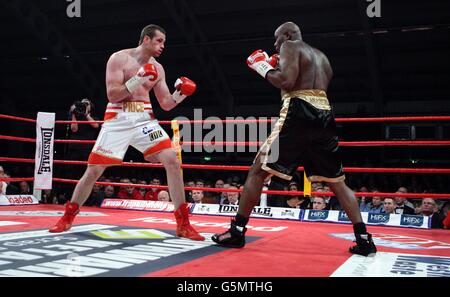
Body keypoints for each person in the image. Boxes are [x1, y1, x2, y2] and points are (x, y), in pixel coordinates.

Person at [212, 22, 376, 256]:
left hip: (298, 111)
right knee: (337, 181)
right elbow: (309, 85)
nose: (275, 46)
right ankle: (364, 239)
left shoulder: (290, 46)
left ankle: (236, 232)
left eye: (276, 40)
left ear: (287, 35)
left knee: (257, 171)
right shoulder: (322, 57)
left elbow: (287, 82)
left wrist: (262, 67)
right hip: (325, 114)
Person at [49, 24, 204, 241]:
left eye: (164, 42)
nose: (162, 46)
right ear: (146, 39)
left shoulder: (158, 69)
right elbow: (113, 95)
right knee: (94, 171)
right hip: (118, 117)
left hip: (144, 118)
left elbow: (167, 104)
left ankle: (183, 224)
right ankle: (67, 217)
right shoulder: (119, 59)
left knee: (172, 160)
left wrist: (181, 94)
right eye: (159, 41)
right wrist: (138, 78)